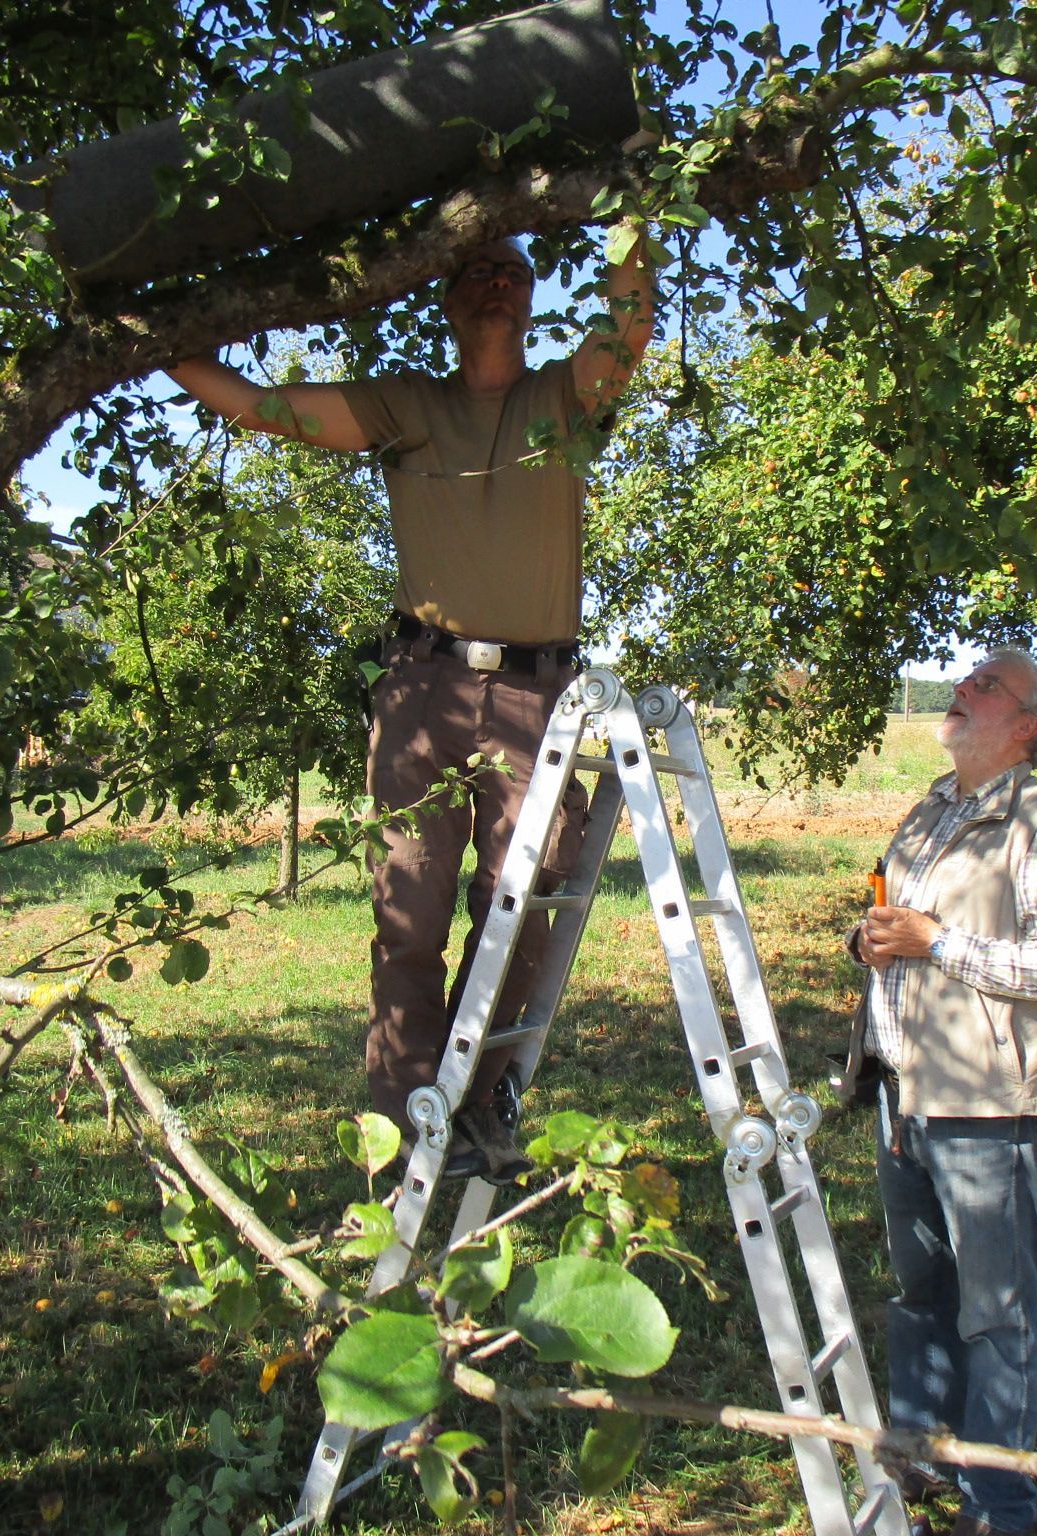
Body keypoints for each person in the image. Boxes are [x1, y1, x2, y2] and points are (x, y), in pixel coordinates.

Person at [166, 226, 656, 1180]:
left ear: (530, 294)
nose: (495, 284)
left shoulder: (560, 398)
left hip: (537, 694)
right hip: (423, 689)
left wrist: (640, 210)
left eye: (512, 270)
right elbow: (269, 408)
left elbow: (627, 329)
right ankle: (399, 1127)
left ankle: (478, 1112)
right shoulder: (408, 404)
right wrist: (163, 349)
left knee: (520, 908)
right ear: (443, 297)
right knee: (408, 915)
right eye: (474, 271)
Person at [837, 647, 1037, 1536]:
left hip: (987, 1101)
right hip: (901, 1090)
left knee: (996, 1312)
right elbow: (890, 918)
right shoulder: (932, 808)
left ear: (1027, 724)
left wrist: (934, 941)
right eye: (963, 682)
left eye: (984, 685)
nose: (961, 691)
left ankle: (1000, 1505)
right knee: (922, 1291)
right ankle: (918, 1451)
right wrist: (870, 941)